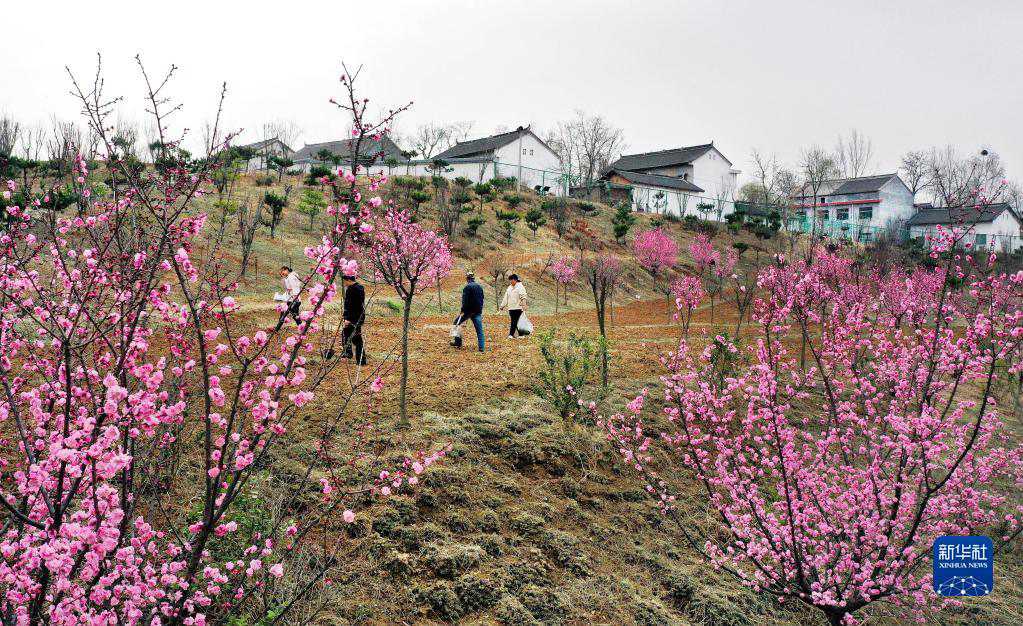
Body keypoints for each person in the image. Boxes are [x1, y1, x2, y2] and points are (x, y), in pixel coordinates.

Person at [341, 272, 367, 365]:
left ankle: (354, 357)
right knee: (350, 335)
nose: (344, 283)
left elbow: (350, 305)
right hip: (359, 317)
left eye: (345, 281)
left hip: (353, 318)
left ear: (348, 280)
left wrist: (347, 318)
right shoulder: (360, 288)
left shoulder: (351, 289)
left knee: (355, 338)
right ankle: (353, 355)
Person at [456, 272, 485, 352]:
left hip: (468, 311)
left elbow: (465, 301)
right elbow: (482, 298)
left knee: (456, 323)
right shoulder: (479, 287)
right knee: (479, 330)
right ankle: (481, 348)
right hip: (478, 311)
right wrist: (480, 309)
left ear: (467, 279)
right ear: (473, 278)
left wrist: (462, 311)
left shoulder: (467, 287)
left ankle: (458, 343)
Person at [499, 273, 528, 339]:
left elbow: (523, 296)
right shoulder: (509, 288)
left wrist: (524, 305)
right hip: (511, 308)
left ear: (515, 280)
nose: (510, 282)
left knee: (516, 321)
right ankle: (519, 334)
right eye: (510, 281)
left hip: (518, 307)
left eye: (511, 280)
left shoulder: (520, 287)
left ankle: (512, 334)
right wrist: (502, 306)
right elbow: (506, 297)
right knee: (514, 321)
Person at [274, 265, 302, 330]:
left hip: (293, 300)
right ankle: (277, 329)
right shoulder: (291, 276)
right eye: (281, 274)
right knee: (290, 315)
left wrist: (295, 297)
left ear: (286, 269)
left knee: (293, 315)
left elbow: (295, 287)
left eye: (282, 273)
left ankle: (302, 328)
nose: (282, 274)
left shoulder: (291, 277)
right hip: (291, 299)